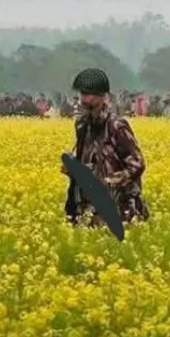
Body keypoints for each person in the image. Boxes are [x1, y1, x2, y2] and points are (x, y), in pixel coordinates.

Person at [62, 68, 149, 227]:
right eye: (82, 93)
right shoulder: (82, 125)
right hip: (88, 207)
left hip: (117, 207)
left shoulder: (116, 126)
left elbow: (137, 162)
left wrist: (117, 178)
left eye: (88, 93)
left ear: (102, 96)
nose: (83, 98)